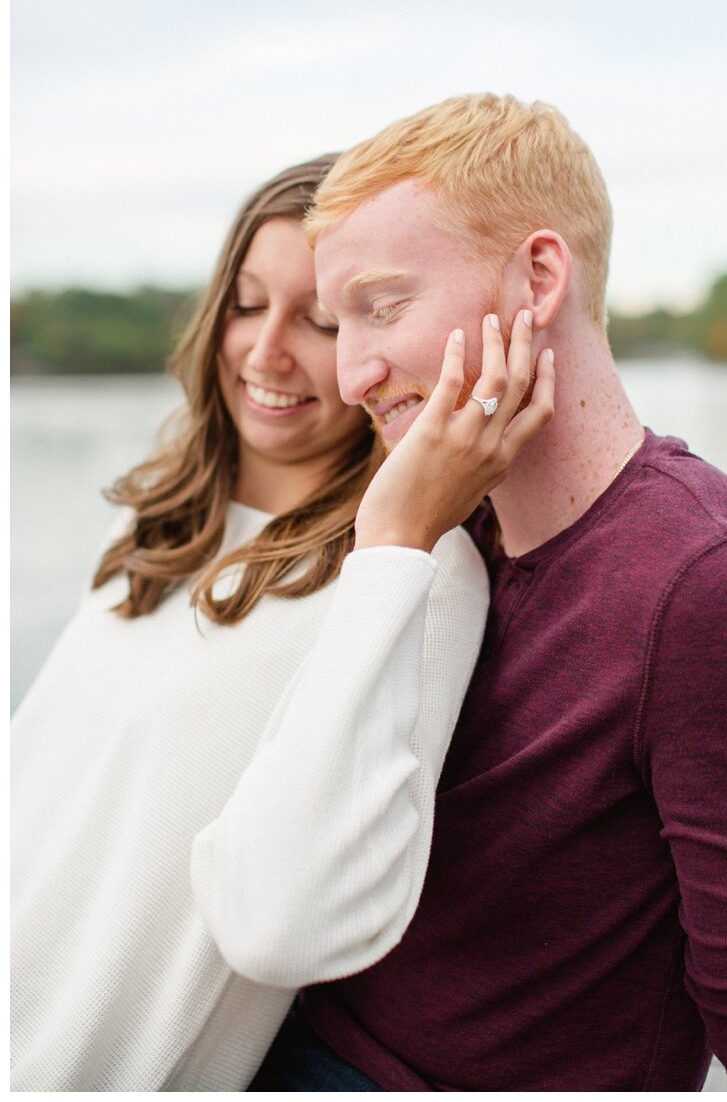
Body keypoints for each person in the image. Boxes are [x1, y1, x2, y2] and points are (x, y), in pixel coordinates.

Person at [11, 156, 551, 1091]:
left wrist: (398, 538)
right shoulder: (152, 516)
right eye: (248, 302)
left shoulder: (413, 573)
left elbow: (290, 921)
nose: (267, 352)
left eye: (323, 320)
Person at [249, 93, 727, 1092]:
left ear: (540, 275)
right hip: (280, 1045)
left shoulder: (694, 578)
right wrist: (394, 538)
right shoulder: (434, 519)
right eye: (340, 323)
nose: (353, 374)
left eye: (384, 307)